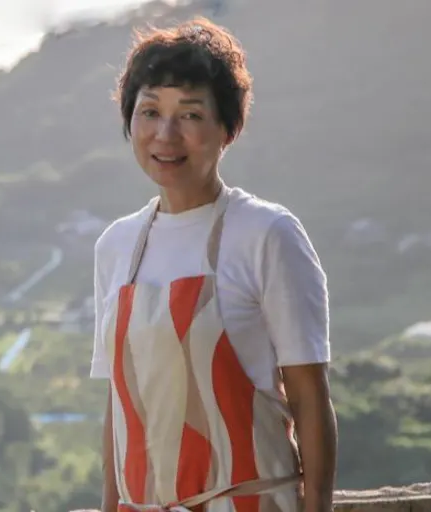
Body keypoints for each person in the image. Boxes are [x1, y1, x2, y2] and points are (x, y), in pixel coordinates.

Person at [90, 17, 338, 512]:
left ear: (228, 129)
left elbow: (309, 398)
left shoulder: (267, 234)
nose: (165, 134)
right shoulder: (116, 245)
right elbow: (120, 405)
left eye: (190, 114)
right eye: (149, 111)